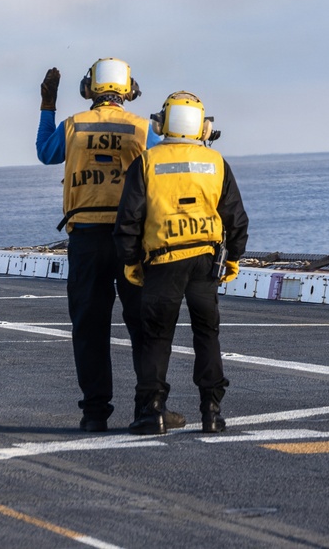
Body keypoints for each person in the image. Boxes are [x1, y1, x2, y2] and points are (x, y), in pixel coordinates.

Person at [36, 58, 169, 432]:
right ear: (129, 91)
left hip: (87, 238)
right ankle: (149, 409)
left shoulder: (75, 125)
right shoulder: (143, 129)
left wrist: (48, 106)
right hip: (132, 239)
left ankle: (95, 413)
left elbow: (46, 153)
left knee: (89, 327)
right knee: (143, 326)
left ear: (88, 90)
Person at [114, 90, 249, 435]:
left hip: (161, 262)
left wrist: (131, 262)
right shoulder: (216, 162)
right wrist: (232, 258)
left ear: (163, 123)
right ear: (203, 128)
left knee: (156, 338)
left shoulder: (147, 162)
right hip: (205, 261)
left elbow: (128, 220)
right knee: (207, 335)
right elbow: (235, 219)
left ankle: (152, 411)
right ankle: (212, 411)